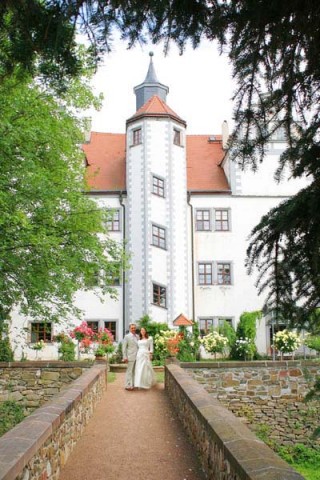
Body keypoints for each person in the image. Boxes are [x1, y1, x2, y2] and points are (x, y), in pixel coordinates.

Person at [122, 323, 139, 391]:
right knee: (129, 371)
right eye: (132, 328)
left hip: (137, 356)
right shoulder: (127, 336)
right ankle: (128, 385)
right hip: (130, 356)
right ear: (129, 328)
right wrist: (125, 357)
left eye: (134, 328)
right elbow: (124, 348)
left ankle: (134, 384)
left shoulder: (137, 336)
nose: (133, 329)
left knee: (135, 371)